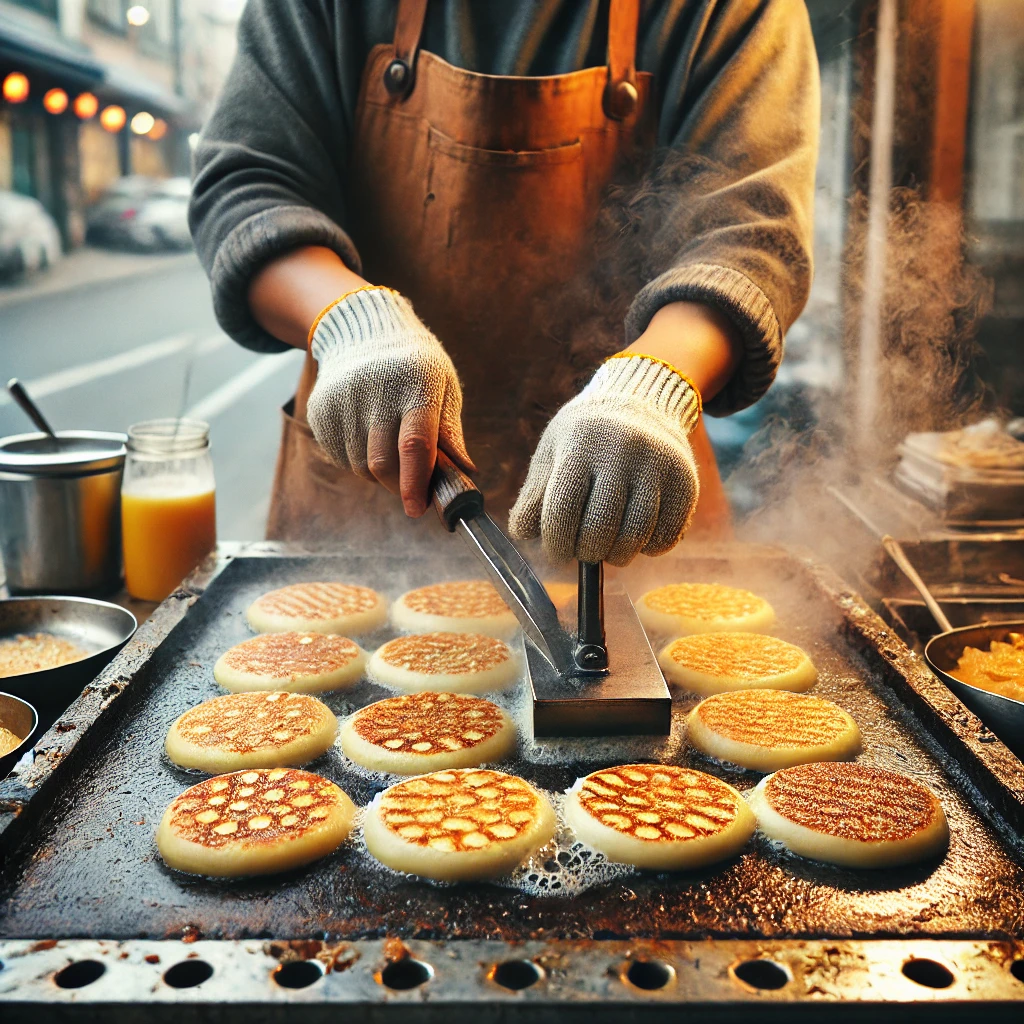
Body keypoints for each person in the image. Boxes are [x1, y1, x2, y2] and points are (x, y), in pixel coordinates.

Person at [190, 0, 819, 565]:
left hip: (628, 485)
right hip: (370, 497)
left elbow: (749, 229)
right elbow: (249, 185)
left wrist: (650, 386)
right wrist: (354, 325)